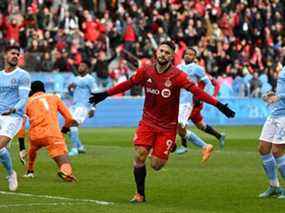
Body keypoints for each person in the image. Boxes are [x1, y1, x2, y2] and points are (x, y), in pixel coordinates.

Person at [89, 41, 235, 203]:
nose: (163, 54)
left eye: (167, 52)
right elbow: (129, 83)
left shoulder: (178, 76)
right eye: (161, 51)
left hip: (167, 126)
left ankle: (169, 145)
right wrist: (105, 94)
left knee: (156, 165)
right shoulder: (146, 70)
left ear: (172, 57)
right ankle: (140, 195)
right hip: (148, 121)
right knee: (140, 155)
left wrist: (219, 105)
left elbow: (197, 92)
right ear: (156, 52)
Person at [23, 81, 77, 182]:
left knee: (32, 149)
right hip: (52, 134)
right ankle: (66, 172)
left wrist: (21, 144)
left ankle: (30, 171)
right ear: (43, 89)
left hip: (35, 135)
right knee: (64, 160)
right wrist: (64, 130)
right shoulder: (54, 97)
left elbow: (21, 123)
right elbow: (70, 119)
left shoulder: (28, 102)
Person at [176, 48, 225, 156]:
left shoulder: (199, 70)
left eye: (191, 54)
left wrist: (207, 96)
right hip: (181, 101)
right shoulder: (178, 68)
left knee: (180, 123)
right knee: (200, 125)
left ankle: (185, 146)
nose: (188, 56)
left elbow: (213, 83)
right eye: (187, 54)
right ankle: (218, 136)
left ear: (195, 58)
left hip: (193, 102)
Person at [0, 45, 31, 191]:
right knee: (1, 150)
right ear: (5, 55)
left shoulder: (23, 75)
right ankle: (11, 173)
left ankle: (11, 173)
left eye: (17, 54)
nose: (15, 56)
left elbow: (24, 99)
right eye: (12, 53)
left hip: (13, 116)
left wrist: (13, 108)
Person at [258, 65, 285, 199]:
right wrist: (272, 95)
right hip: (274, 114)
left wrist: (279, 97)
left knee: (277, 151)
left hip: (284, 116)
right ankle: (274, 186)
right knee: (263, 148)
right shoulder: (283, 68)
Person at [68, 60, 98, 156]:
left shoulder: (90, 79)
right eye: (79, 66)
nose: (80, 67)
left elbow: (95, 94)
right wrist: (70, 89)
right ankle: (80, 147)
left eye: (83, 66)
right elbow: (72, 93)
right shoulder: (75, 78)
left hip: (83, 106)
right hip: (74, 105)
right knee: (67, 127)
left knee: (73, 124)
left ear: (87, 69)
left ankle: (74, 149)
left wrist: (93, 108)